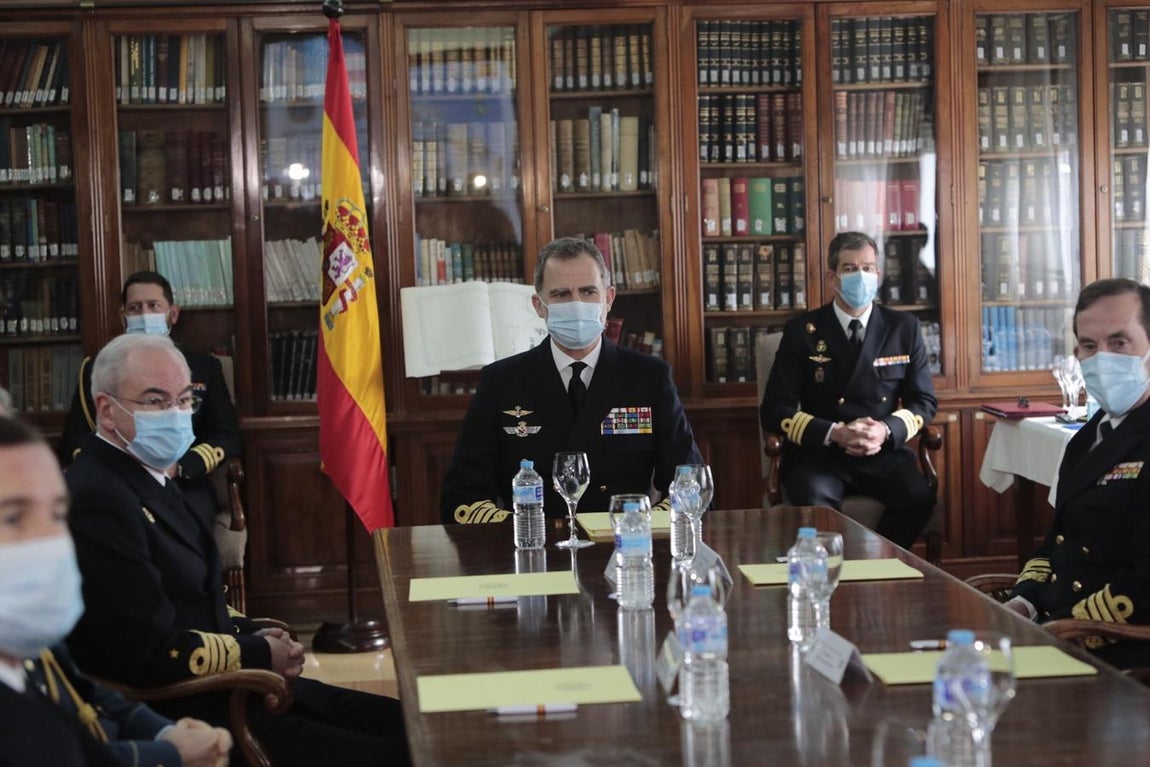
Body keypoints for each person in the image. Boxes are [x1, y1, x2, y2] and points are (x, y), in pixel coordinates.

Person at [64, 334, 410, 767]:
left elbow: (197, 597)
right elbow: (149, 651)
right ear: (106, 410)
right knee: (399, 754)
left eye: (184, 398)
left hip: (236, 687)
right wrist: (260, 653)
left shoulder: (151, 476)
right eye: (155, 400)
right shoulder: (98, 496)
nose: (175, 414)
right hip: (196, 711)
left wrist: (254, 634)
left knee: (412, 723)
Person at [0, 414, 232, 767]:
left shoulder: (23, 644)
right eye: (15, 518)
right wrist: (174, 754)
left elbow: (85, 697)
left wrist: (166, 735)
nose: (47, 541)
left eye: (57, 516)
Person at [440, 236, 702, 524]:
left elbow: (691, 484)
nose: (577, 305)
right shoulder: (501, 382)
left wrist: (639, 525)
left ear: (609, 298)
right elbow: (462, 497)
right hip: (533, 549)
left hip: (624, 547)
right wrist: (527, 529)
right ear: (539, 306)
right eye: (561, 294)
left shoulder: (649, 378)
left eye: (589, 291)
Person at [760, 231, 938, 548]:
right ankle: (832, 575)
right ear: (833, 277)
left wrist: (885, 430)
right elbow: (775, 408)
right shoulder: (802, 331)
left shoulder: (903, 328)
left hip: (882, 452)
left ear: (878, 275)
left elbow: (923, 401)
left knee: (919, 495)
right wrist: (835, 433)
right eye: (850, 268)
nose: (861, 276)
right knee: (814, 500)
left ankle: (878, 566)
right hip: (821, 454)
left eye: (868, 268)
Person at [1006, 278, 1150, 669]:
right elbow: (1058, 543)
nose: (1101, 358)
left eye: (1119, 343)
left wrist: (1065, 624)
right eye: (1089, 346)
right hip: (1062, 631)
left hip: (1122, 652)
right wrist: (1025, 600)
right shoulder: (1089, 437)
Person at [59, 270, 241, 527]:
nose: (145, 315)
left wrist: (181, 467)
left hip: (181, 484)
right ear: (124, 317)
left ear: (173, 314)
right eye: (135, 307)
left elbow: (226, 435)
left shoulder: (204, 367)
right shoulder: (96, 369)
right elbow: (75, 437)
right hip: (116, 483)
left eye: (154, 306)